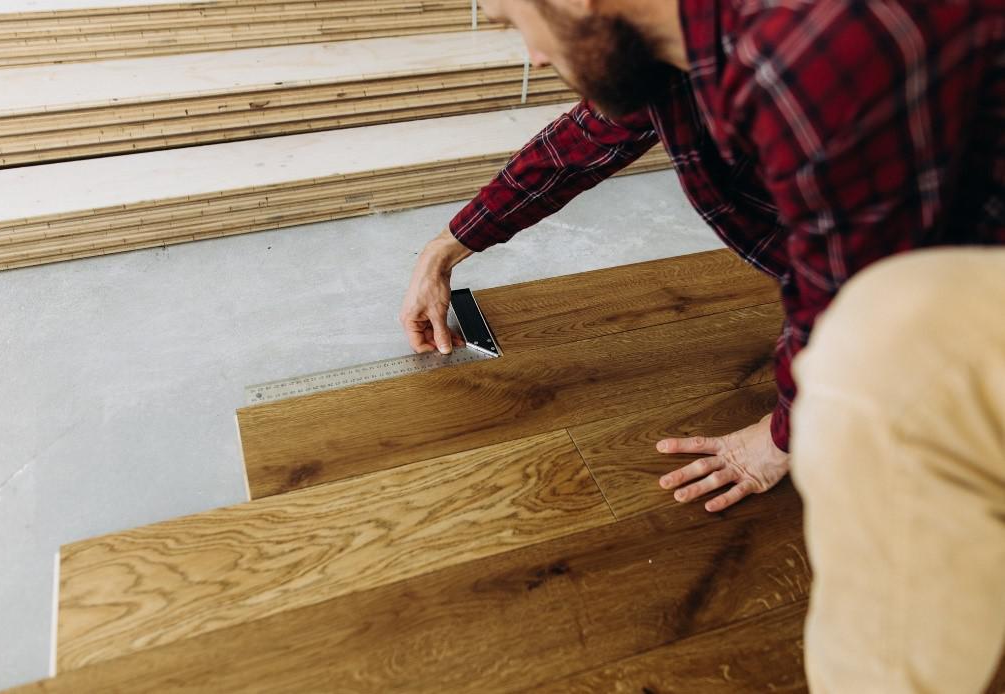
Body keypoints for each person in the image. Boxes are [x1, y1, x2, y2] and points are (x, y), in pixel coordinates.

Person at [399, 0, 1005, 691]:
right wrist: (449, 246)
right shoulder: (686, 41)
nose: (533, 56)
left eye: (512, 21)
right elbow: (587, 140)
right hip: (947, 257)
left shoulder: (808, 49)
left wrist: (781, 436)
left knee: (858, 390)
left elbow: (848, 304)